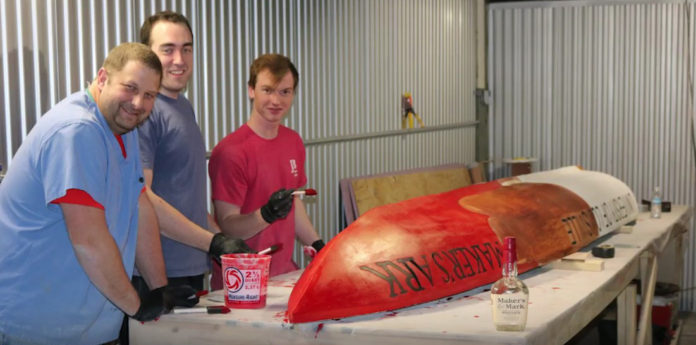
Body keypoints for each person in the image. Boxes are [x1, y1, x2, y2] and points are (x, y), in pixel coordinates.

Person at [0, 42, 177, 344]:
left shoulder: (124, 128)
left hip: (83, 327)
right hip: (36, 328)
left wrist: (159, 290)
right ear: (103, 78)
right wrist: (137, 305)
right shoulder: (76, 131)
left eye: (149, 95)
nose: (137, 102)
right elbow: (89, 241)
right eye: (130, 88)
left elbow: (139, 206)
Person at [209, 53, 325, 288]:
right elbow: (228, 226)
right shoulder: (231, 152)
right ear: (251, 90)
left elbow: (294, 204)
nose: (276, 100)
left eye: (285, 92)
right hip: (241, 282)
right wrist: (266, 215)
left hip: (284, 277)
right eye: (267, 90)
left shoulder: (293, 141)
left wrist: (319, 245)